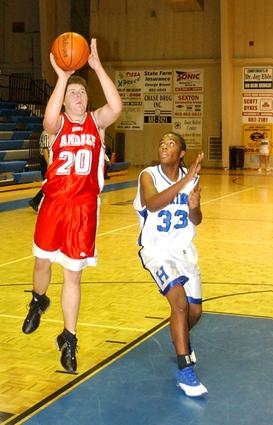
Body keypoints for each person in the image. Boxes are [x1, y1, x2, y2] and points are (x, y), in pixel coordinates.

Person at [22, 38, 122, 373]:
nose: (78, 98)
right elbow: (49, 120)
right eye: (72, 95)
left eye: (82, 94)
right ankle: (38, 300)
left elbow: (117, 106)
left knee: (73, 278)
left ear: (87, 99)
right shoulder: (60, 123)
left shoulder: (98, 121)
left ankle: (69, 338)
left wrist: (97, 68)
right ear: (64, 102)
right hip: (54, 204)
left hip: (83, 209)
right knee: (41, 265)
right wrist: (63, 77)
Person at [133, 132, 207, 397]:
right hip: (157, 250)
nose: (164, 146)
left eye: (171, 143)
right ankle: (185, 371)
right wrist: (187, 180)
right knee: (179, 303)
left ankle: (181, 338)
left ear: (182, 153)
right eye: (161, 143)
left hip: (185, 250)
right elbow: (152, 204)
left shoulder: (193, 178)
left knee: (194, 313)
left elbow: (196, 219)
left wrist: (195, 207)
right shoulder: (148, 175)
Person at [28, 130, 50, 212]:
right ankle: (35, 201)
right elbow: (45, 149)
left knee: (49, 184)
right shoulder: (46, 133)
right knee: (48, 183)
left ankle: (36, 201)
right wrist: (48, 163)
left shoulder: (51, 133)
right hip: (46, 161)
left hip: (49, 160)